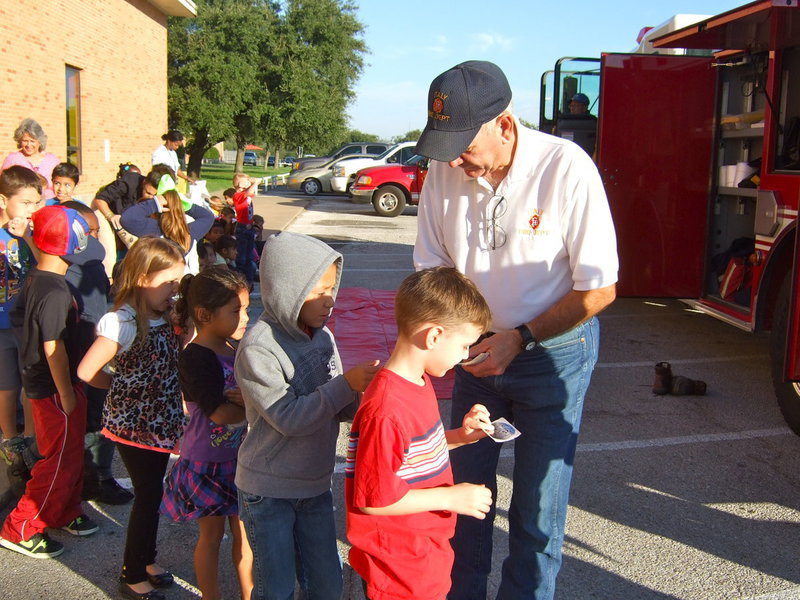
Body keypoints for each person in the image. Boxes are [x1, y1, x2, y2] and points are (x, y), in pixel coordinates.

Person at [413, 60, 618, 600]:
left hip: (553, 356)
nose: (454, 158)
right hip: (476, 357)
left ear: (505, 125)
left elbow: (598, 290)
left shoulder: (567, 168)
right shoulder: (444, 170)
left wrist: (520, 337)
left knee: (537, 509)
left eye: (464, 144)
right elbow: (432, 274)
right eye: (445, 144)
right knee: (463, 495)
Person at [234, 231, 380, 600]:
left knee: (327, 584)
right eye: (317, 291)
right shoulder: (259, 348)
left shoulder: (323, 336)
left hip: (313, 485)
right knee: (277, 588)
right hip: (268, 492)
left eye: (333, 288)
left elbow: (339, 404)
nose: (329, 299)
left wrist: (370, 395)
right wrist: (346, 385)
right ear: (287, 289)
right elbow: (290, 417)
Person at [346, 267, 496, 600]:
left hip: (421, 554)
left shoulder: (418, 381)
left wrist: (461, 435)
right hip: (396, 568)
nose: (465, 356)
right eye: (464, 345)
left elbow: (411, 455)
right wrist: (450, 497)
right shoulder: (386, 410)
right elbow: (373, 500)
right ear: (433, 336)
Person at [77, 237, 187, 600]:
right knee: (148, 494)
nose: (175, 290)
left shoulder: (163, 316)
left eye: (178, 282)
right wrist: (119, 387)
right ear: (142, 277)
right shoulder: (122, 321)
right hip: (134, 427)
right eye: (168, 282)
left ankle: (147, 559)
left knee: (153, 492)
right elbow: (88, 370)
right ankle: (132, 572)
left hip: (162, 422)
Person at [0, 205, 103, 559]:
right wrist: (66, 394)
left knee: (71, 456)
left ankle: (61, 510)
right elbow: (52, 346)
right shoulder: (56, 291)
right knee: (57, 461)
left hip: (54, 387)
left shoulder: (38, 276)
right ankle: (21, 527)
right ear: (73, 243)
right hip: (55, 390)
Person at [161, 267, 253, 600]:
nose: (245, 317)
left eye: (246, 309)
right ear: (204, 314)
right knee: (211, 538)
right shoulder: (196, 357)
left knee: (245, 537)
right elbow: (220, 412)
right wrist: (257, 406)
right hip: (208, 464)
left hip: (241, 460)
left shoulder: (234, 347)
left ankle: (249, 595)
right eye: (236, 311)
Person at [61, 201, 133, 505]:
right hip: (85, 357)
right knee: (97, 423)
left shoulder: (83, 265)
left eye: (94, 231)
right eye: (86, 232)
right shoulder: (81, 264)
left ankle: (93, 476)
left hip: (90, 353)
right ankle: (96, 479)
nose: (93, 239)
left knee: (98, 421)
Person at [0, 166, 40, 467]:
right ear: (4, 201)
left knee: (29, 383)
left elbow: (44, 262)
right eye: (26, 202)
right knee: (7, 384)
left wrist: (27, 236)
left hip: (27, 322)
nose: (32, 209)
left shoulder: (32, 232)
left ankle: (29, 438)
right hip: (2, 325)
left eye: (36, 202)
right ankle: (9, 437)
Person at [120, 177, 214, 275]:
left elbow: (127, 219)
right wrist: (185, 205)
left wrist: (154, 203)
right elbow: (208, 216)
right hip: (183, 285)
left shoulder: (153, 229)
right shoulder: (189, 231)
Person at [1, 119, 61, 199]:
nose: (28, 145)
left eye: (32, 141)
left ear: (39, 142)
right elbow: (3, 184)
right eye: (25, 141)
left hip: (49, 204)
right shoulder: (13, 159)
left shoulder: (52, 161)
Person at [231, 173, 258, 282]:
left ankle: (249, 280)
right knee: (241, 258)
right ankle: (240, 279)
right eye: (245, 181)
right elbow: (250, 192)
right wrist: (254, 182)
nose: (248, 182)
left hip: (249, 228)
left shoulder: (245, 194)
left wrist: (252, 182)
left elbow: (252, 192)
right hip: (242, 228)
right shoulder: (237, 195)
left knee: (249, 257)